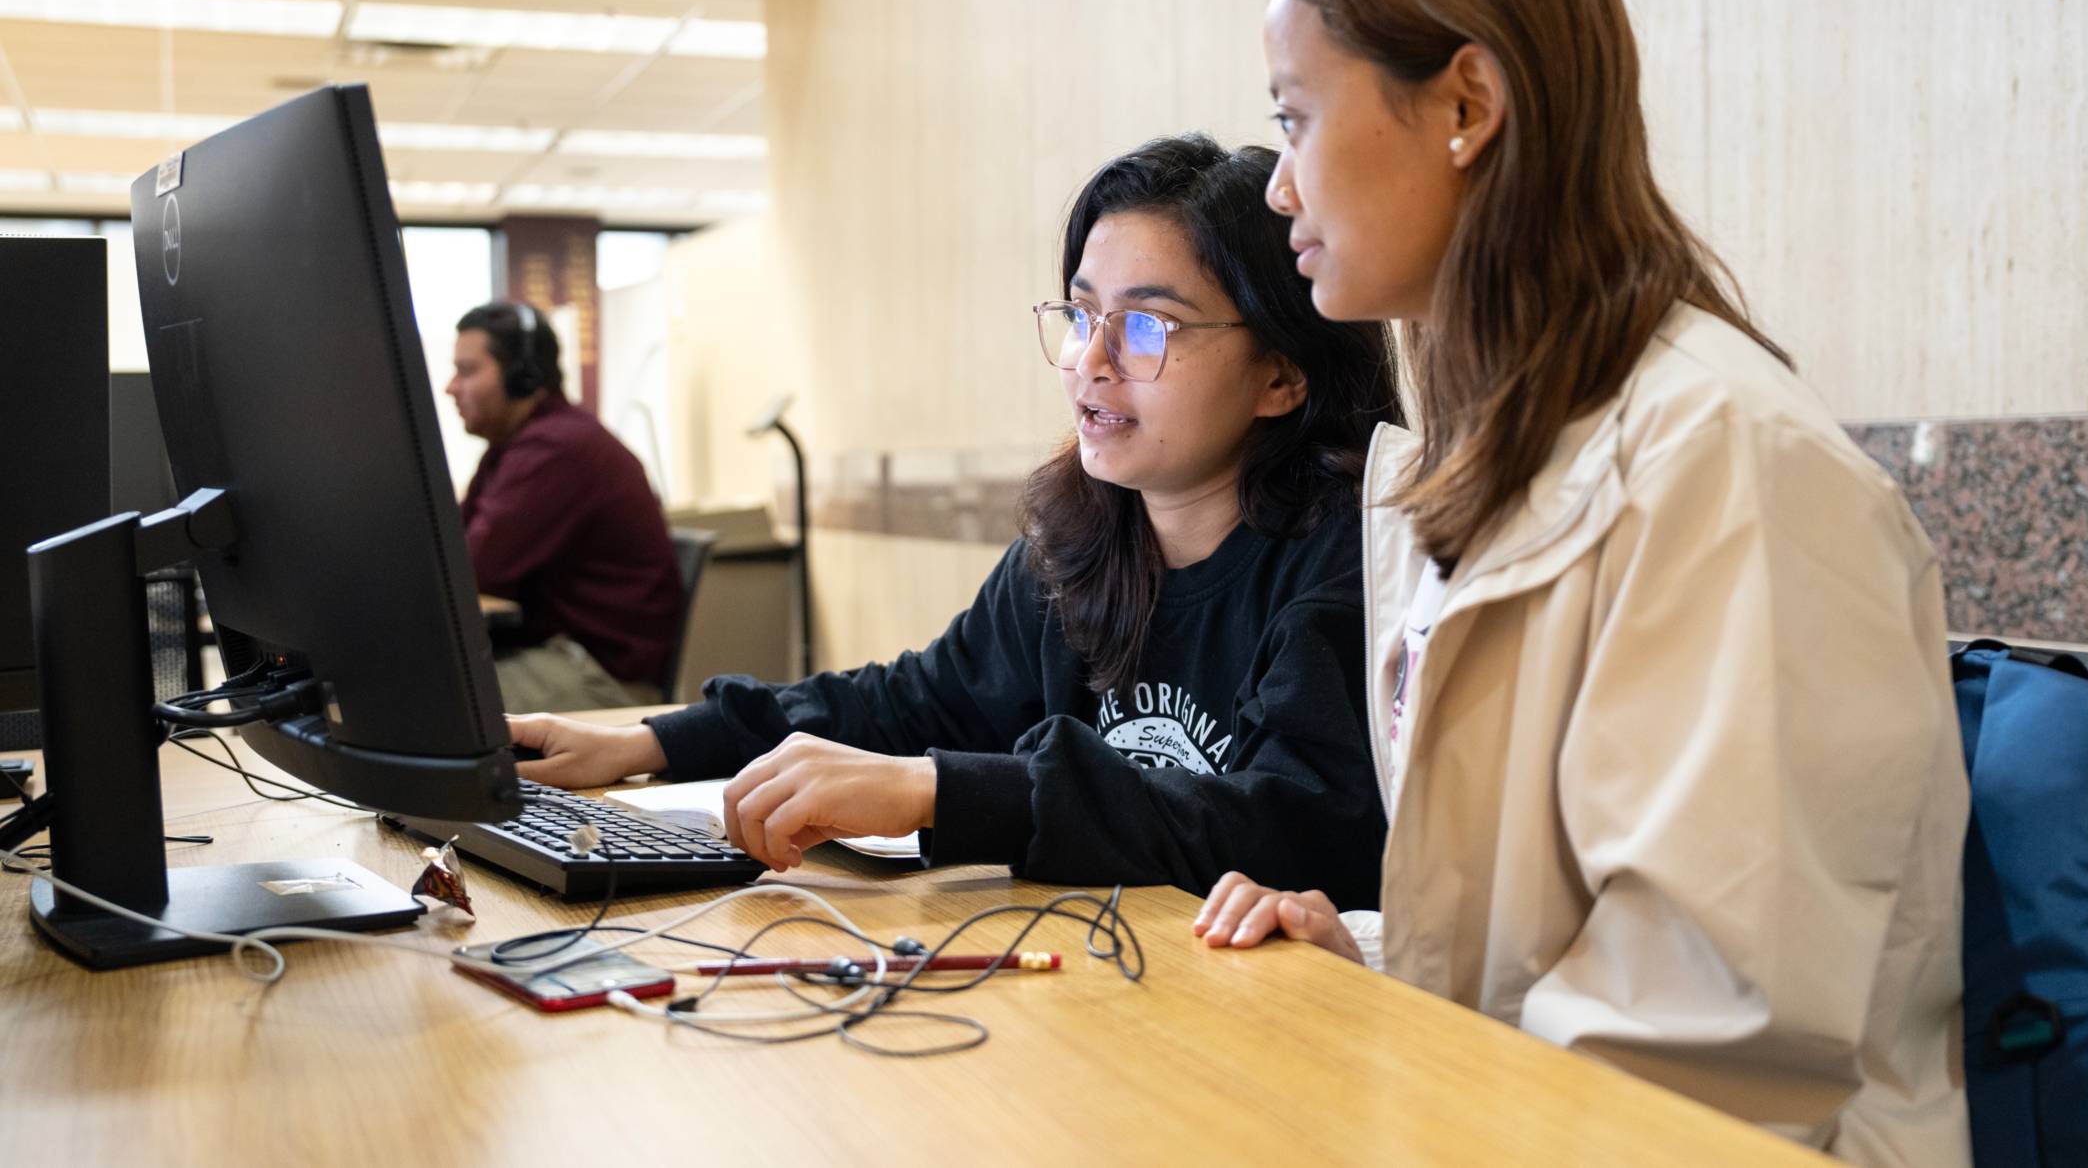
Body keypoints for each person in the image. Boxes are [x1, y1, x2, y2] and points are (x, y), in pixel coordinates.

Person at [1193, 0, 1971, 1166]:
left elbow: (1710, 1053)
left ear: (1466, 103)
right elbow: (1557, 952)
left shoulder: (1727, 467)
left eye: (1294, 120)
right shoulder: (1491, 451)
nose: (1277, 190)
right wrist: (1366, 951)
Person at [509, 135, 1401, 906]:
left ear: (1284, 376)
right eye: (1083, 314)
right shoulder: (1076, 544)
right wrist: (646, 743)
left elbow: (1290, 826)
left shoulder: (1350, 561)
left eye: (1146, 328)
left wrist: (940, 791)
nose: (1089, 361)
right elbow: (909, 702)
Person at [448, 300, 684, 713]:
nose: (451, 386)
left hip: (603, 680)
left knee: (426, 700)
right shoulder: (515, 446)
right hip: (563, 654)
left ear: (522, 376)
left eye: (467, 371)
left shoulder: (554, 449)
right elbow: (453, 543)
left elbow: (468, 568)